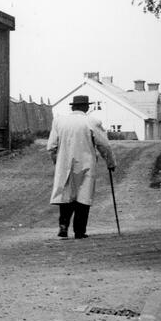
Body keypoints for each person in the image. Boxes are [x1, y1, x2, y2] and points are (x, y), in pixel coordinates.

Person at [47, 94, 116, 238]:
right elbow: (104, 145)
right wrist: (110, 163)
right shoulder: (92, 121)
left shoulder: (59, 121)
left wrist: (56, 161)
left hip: (64, 164)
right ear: (85, 107)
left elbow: (52, 146)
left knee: (66, 195)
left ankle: (63, 227)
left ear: (73, 107)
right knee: (83, 196)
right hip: (86, 164)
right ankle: (79, 231)